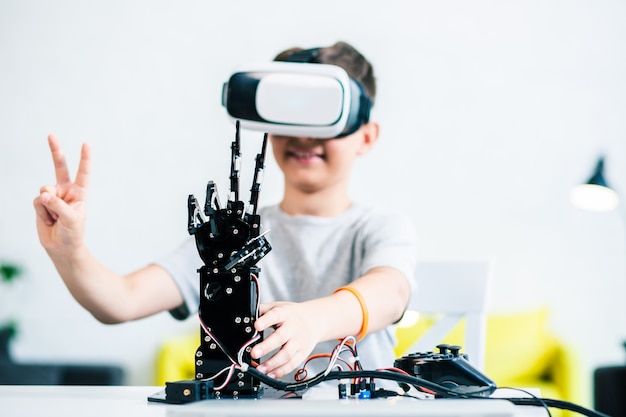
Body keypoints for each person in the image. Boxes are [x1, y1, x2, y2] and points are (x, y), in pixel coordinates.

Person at [33, 41, 418, 381]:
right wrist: (69, 252)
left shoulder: (381, 228)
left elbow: (391, 293)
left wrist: (315, 319)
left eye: (322, 121)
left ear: (366, 136)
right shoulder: (232, 231)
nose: (303, 136)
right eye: (290, 117)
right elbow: (123, 300)